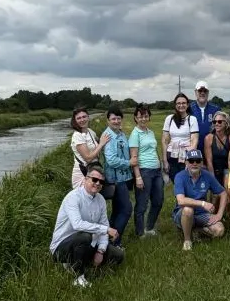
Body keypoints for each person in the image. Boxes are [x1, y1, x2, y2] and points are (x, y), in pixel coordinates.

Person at [50, 166, 124, 287]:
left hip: (88, 244)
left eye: (101, 182)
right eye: (94, 180)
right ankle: (78, 277)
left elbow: (104, 225)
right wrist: (106, 229)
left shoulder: (100, 200)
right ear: (85, 179)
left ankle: (83, 261)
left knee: (118, 256)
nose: (98, 183)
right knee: (84, 236)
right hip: (62, 247)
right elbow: (77, 224)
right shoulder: (73, 197)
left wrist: (101, 250)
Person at [172, 149, 227, 251]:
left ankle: (196, 231)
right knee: (188, 210)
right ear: (186, 162)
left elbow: (223, 193)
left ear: (202, 162)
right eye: (191, 161)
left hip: (201, 214)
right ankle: (187, 240)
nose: (194, 164)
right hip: (183, 213)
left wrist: (219, 214)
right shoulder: (179, 176)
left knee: (219, 230)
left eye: (197, 161)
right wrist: (203, 203)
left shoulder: (207, 175)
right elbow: (181, 200)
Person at [128, 103, 163, 238]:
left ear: (149, 117)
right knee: (142, 204)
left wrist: (160, 164)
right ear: (136, 118)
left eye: (146, 116)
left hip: (156, 171)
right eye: (140, 116)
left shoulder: (151, 132)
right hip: (144, 171)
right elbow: (134, 157)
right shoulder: (135, 134)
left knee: (158, 201)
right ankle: (140, 232)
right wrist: (138, 177)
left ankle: (149, 227)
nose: (143, 119)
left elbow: (154, 150)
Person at [101, 106, 133, 245]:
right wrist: (129, 162)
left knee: (117, 210)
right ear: (108, 120)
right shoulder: (108, 136)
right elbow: (111, 160)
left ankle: (106, 241)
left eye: (118, 118)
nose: (116, 121)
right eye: (113, 119)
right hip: (115, 179)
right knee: (126, 210)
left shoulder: (120, 133)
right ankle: (115, 242)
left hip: (124, 177)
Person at [162, 93, 200, 181]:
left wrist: (189, 160)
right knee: (176, 183)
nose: (181, 105)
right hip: (171, 156)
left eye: (183, 103)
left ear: (187, 104)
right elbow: (164, 140)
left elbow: (194, 140)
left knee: (187, 182)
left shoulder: (192, 119)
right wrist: (164, 160)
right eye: (178, 103)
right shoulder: (169, 119)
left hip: (185, 156)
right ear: (175, 105)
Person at [69, 106, 109, 189]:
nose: (82, 120)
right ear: (75, 121)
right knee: (84, 199)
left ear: (88, 117)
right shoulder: (77, 136)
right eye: (79, 118)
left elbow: (101, 142)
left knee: (94, 197)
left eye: (84, 117)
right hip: (82, 173)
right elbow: (88, 158)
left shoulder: (90, 131)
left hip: (93, 170)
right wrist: (101, 144)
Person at [203, 111, 230, 194]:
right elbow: (209, 160)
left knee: (227, 191)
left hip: (227, 168)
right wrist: (212, 178)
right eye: (214, 122)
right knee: (215, 193)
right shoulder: (209, 138)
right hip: (214, 168)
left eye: (220, 121)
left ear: (226, 123)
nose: (217, 124)